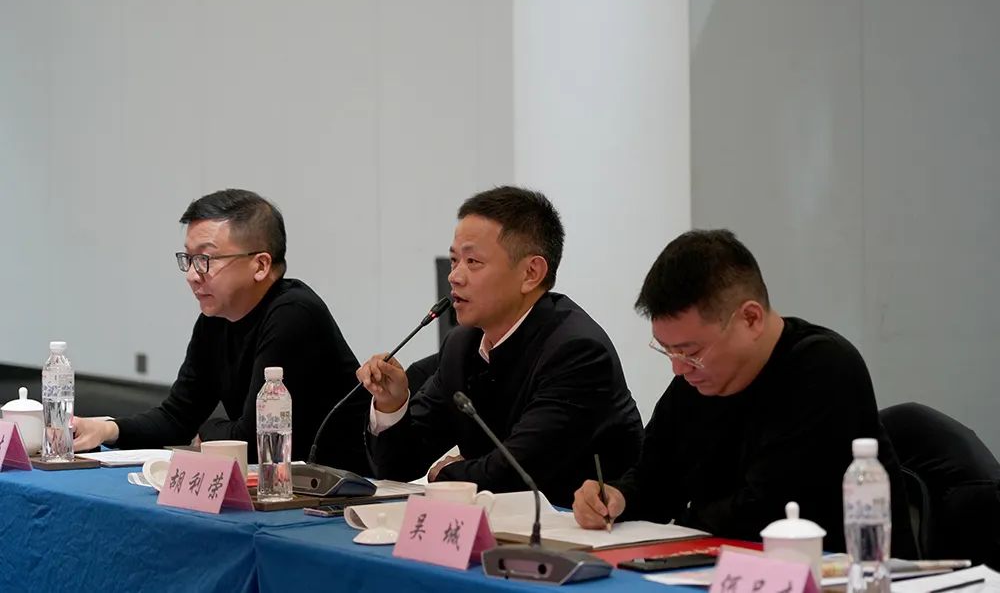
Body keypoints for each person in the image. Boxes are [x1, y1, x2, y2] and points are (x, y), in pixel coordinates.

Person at [572, 229, 917, 556]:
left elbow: (765, 509)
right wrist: (616, 497)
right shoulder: (698, 379)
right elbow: (656, 480)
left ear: (751, 318)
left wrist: (684, 520)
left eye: (690, 351)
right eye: (667, 350)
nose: (678, 368)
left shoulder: (825, 368)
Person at [356, 186, 644, 507]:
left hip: (583, 528)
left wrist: (443, 475)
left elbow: (515, 474)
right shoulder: (461, 346)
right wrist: (392, 404)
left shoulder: (578, 351)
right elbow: (398, 469)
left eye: (473, 261)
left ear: (530, 273)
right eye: (454, 260)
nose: (455, 277)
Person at [72, 189, 369, 471]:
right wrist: (106, 429)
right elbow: (177, 416)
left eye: (205, 260)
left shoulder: (294, 314)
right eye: (188, 259)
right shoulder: (216, 319)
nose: (192, 275)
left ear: (260, 265)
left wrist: (207, 429)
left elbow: (254, 441)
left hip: (344, 489)